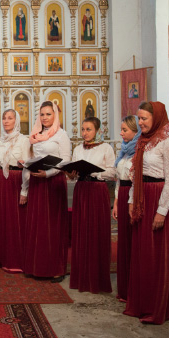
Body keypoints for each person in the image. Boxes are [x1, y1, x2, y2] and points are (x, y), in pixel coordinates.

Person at [125, 101, 169, 325]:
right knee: (142, 254)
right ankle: (140, 303)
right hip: (141, 199)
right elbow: (137, 174)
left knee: (156, 256)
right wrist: (130, 200)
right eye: (139, 118)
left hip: (157, 199)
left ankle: (156, 308)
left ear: (156, 118)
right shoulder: (142, 142)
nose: (140, 122)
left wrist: (162, 211)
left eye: (144, 118)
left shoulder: (168, 143)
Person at [24, 101, 71, 281]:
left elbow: (65, 160)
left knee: (53, 225)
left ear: (55, 115)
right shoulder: (36, 135)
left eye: (48, 114)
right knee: (38, 224)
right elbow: (33, 157)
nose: (44, 118)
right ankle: (37, 266)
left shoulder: (61, 135)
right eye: (42, 114)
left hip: (53, 182)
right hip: (37, 181)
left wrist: (49, 173)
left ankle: (56, 268)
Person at [67, 117, 115, 294]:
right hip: (81, 190)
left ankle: (97, 278)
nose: (85, 133)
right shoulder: (78, 148)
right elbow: (72, 176)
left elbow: (112, 171)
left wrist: (95, 172)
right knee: (81, 231)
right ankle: (81, 276)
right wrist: (71, 173)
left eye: (88, 129)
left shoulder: (106, 147)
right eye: (83, 129)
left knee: (96, 232)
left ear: (97, 130)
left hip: (97, 190)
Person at [0, 109, 30, 272]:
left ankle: (17, 260)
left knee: (17, 220)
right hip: (2, 180)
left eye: (10, 118)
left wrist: (24, 191)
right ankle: (4, 258)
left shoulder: (24, 140)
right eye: (4, 118)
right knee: (3, 219)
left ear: (16, 121)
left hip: (17, 179)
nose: (6, 121)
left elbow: (27, 166)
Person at [112, 115, 140, 301]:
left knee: (133, 241)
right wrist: (115, 202)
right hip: (121, 195)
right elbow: (118, 180)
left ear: (135, 131)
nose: (121, 133)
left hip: (132, 196)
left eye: (125, 130)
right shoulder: (123, 151)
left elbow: (136, 180)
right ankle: (124, 287)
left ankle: (135, 288)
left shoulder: (139, 152)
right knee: (123, 241)